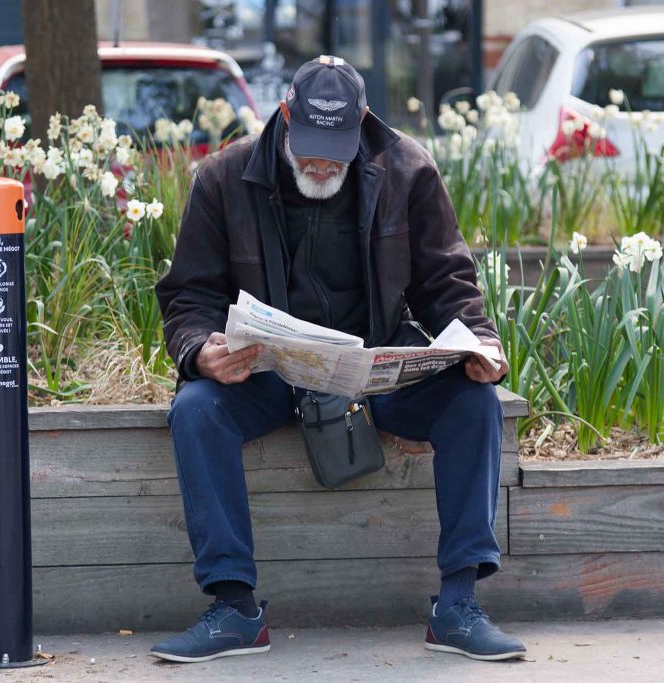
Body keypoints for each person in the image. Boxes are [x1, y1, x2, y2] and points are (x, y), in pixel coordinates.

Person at [151, 55, 526, 663]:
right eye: (310, 149)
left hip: (373, 364)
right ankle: (234, 607)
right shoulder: (223, 177)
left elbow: (446, 282)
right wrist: (200, 351)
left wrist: (480, 342)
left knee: (474, 400)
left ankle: (458, 605)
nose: (322, 164)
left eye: (337, 152)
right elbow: (189, 296)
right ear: (284, 116)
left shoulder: (407, 170)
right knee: (196, 409)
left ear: (363, 125)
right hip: (268, 369)